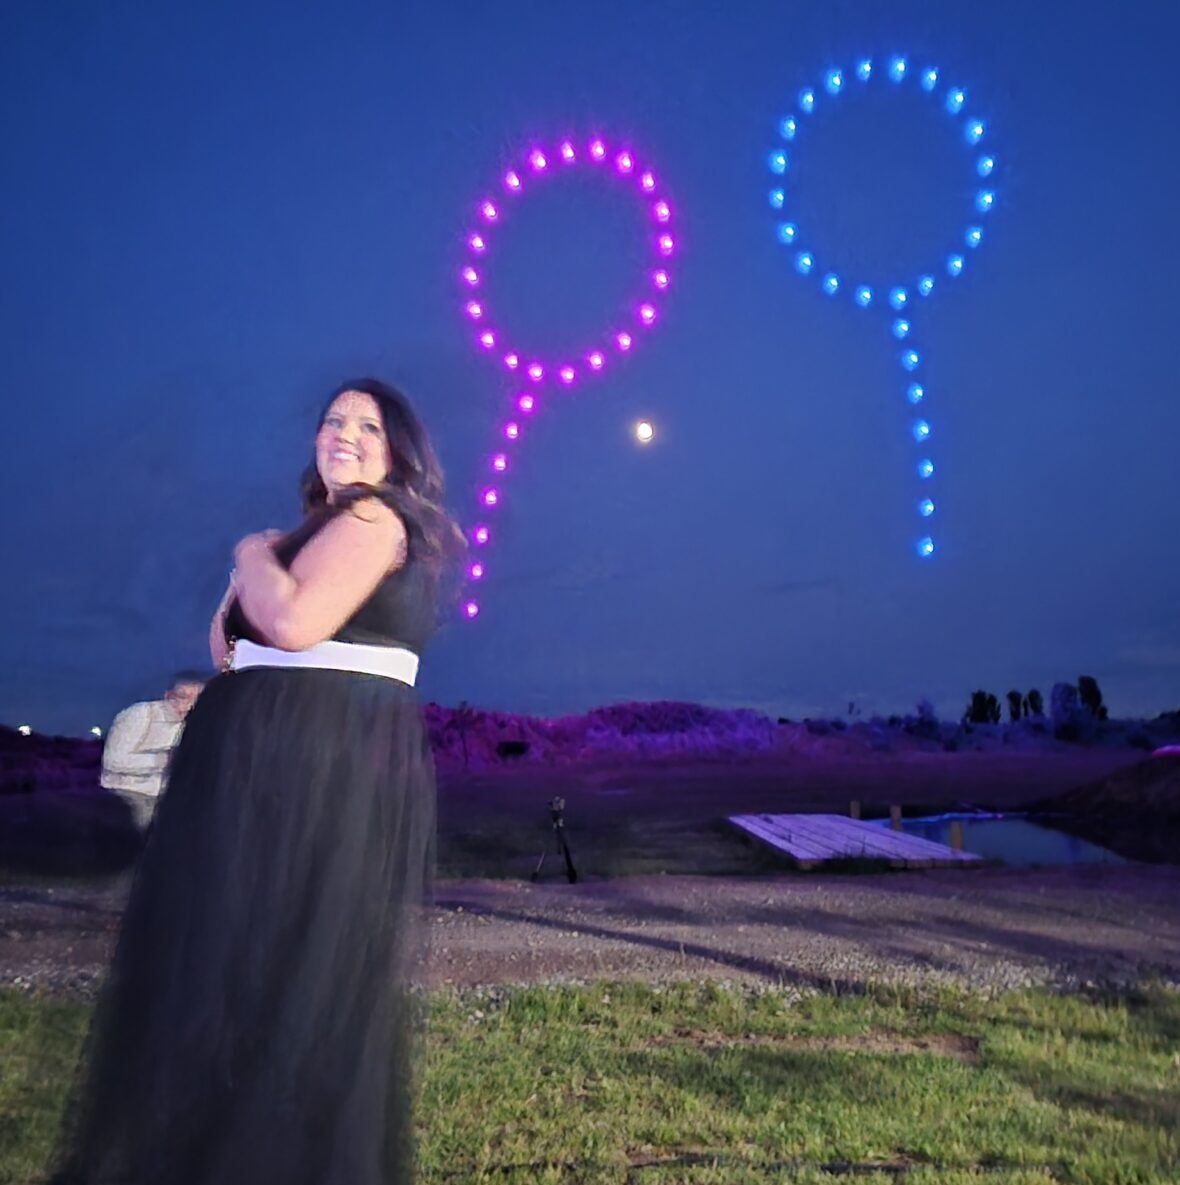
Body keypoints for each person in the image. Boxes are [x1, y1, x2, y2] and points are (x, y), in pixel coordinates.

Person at [53, 379, 463, 1185]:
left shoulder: (374, 519)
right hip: (261, 768)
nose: (344, 433)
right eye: (334, 420)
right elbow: (229, 647)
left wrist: (250, 552)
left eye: (368, 426)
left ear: (399, 453)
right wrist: (262, 565)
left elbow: (293, 622)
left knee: (288, 963)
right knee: (233, 959)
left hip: (317, 772)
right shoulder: (313, 532)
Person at [100, 671, 207, 828]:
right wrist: (165, 759)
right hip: (127, 795)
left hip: (169, 798)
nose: (188, 706)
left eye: (196, 700)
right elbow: (114, 761)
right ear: (168, 695)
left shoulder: (195, 725)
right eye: (182, 697)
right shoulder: (141, 714)